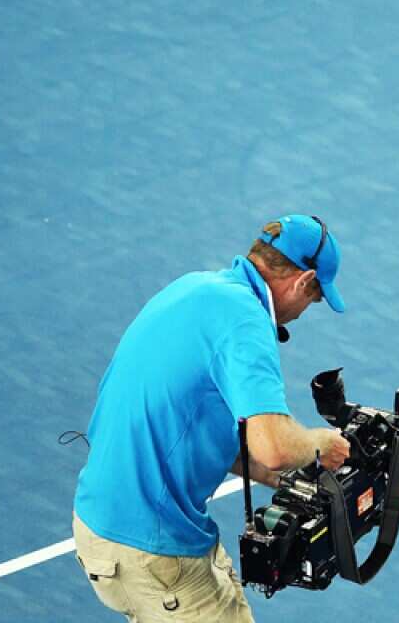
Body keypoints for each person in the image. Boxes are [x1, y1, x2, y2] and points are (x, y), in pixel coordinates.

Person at [71, 215, 352, 622]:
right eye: (316, 298)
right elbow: (274, 447)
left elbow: (196, 428)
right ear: (304, 280)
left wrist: (290, 481)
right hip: (153, 551)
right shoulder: (246, 321)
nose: (306, 310)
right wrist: (321, 444)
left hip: (102, 526)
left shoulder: (195, 288)